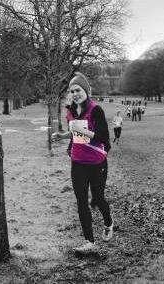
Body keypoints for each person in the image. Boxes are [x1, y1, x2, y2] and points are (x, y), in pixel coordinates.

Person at [62, 72, 113, 254]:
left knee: (98, 198)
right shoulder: (70, 112)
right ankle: (89, 241)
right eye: (72, 90)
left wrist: (82, 130)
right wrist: (63, 135)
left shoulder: (95, 110)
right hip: (78, 162)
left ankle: (108, 222)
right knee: (81, 201)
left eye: (78, 90)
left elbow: (103, 137)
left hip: (97, 162)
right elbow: (76, 135)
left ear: (86, 91)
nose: (75, 94)